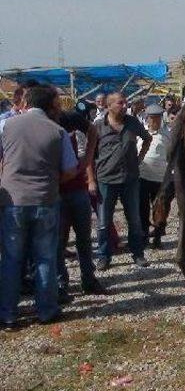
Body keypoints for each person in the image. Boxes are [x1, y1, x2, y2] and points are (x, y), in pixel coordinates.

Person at [0, 85, 78, 330]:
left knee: (12, 259)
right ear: (50, 105)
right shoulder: (58, 131)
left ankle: (9, 314)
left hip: (13, 201)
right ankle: (46, 310)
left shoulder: (7, 126)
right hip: (45, 199)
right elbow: (70, 170)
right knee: (45, 258)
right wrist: (52, 181)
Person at [94, 92, 152, 270]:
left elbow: (147, 139)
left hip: (130, 179)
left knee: (134, 219)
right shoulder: (97, 126)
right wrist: (91, 179)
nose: (125, 105)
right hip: (106, 180)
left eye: (125, 102)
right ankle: (104, 256)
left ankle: (138, 253)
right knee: (104, 222)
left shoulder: (133, 123)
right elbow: (90, 153)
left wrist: (140, 157)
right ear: (108, 106)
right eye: (120, 103)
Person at [55, 106, 106, 298]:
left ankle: (88, 278)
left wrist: (87, 159)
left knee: (83, 238)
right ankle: (61, 283)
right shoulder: (41, 122)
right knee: (58, 241)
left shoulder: (68, 116)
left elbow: (92, 130)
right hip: (56, 192)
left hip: (76, 189)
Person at [138, 103, 170, 248]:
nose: (155, 121)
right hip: (142, 177)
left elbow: (170, 155)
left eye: (158, 118)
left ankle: (157, 236)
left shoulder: (166, 135)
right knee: (142, 209)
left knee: (159, 209)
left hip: (160, 178)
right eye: (152, 118)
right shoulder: (141, 133)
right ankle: (143, 236)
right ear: (147, 118)